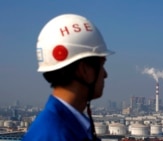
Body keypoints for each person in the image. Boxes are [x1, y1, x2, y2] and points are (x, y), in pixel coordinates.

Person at [22, 13, 114, 141]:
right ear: (84, 70)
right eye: (101, 64)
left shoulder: (73, 125)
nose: (105, 74)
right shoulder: (54, 134)